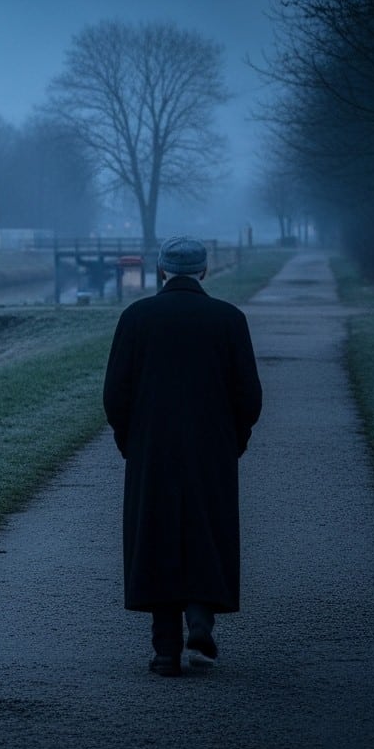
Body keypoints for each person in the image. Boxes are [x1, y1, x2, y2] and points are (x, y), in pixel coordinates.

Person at [102, 236, 263, 677]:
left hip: (152, 446)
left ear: (161, 271)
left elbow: (115, 393)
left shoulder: (136, 318)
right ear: (205, 272)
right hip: (211, 446)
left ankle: (165, 650)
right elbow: (249, 396)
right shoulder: (229, 319)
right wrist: (235, 440)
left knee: (156, 536)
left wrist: (129, 441)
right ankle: (200, 618)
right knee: (206, 530)